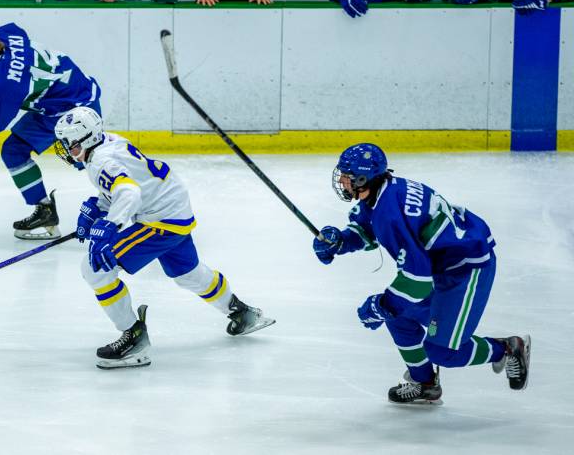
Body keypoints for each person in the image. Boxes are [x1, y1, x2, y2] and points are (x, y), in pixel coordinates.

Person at [53, 106, 275, 369]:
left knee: (95, 269)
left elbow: (129, 192)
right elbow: (126, 182)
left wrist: (109, 224)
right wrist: (99, 205)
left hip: (160, 219)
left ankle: (134, 337)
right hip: (175, 208)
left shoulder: (100, 161)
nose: (68, 150)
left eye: (71, 144)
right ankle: (241, 312)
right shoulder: (109, 140)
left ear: (87, 140)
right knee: (187, 274)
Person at [312, 143, 530, 404]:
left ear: (362, 179)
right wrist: (342, 241)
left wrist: (381, 305)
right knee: (398, 315)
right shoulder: (383, 192)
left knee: (442, 352)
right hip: (442, 264)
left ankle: (507, 348)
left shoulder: (390, 211)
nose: (342, 181)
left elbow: (417, 277)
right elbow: (368, 229)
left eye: (347, 176)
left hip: (466, 268)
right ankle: (424, 382)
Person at [0, 23, 102, 240]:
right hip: (58, 99)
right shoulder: (6, 34)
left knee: (92, 161)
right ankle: (45, 211)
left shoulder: (4, 84)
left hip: (76, 107)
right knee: (14, 150)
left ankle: (124, 201)